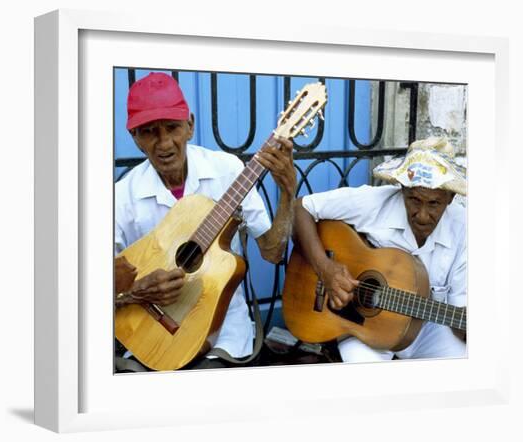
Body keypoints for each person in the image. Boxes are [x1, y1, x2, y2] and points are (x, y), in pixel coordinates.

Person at [114, 72, 296, 370]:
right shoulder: (121, 196)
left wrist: (288, 192)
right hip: (148, 331)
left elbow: (273, 253)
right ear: (135, 138)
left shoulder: (227, 170)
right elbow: (89, 282)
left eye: (172, 127)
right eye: (149, 131)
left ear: (190, 125)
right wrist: (135, 291)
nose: (164, 143)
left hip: (222, 330)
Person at [293, 136, 467, 362]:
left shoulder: (465, 229)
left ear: (451, 198)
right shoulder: (373, 202)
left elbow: (460, 311)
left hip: (427, 329)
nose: (422, 215)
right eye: (414, 199)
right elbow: (301, 208)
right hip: (362, 328)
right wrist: (326, 270)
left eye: (434, 203)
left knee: (467, 365)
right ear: (402, 189)